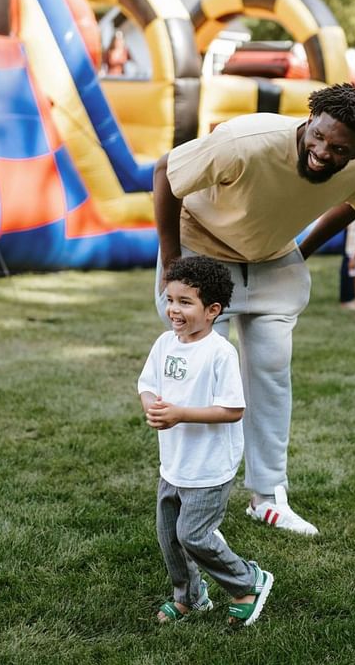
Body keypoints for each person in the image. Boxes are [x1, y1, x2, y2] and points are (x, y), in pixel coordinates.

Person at [153, 83, 355, 535]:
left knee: (272, 371)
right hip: (201, 248)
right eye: (317, 136)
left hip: (272, 259)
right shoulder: (246, 141)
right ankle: (192, 496)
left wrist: (303, 249)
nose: (321, 152)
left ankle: (268, 496)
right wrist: (172, 257)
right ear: (310, 118)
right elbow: (165, 171)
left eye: (339, 149)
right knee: (200, 375)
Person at [138, 255, 273, 626]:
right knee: (170, 537)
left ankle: (248, 581)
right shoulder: (165, 344)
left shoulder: (219, 353)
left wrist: (180, 413)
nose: (173, 310)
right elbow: (147, 385)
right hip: (175, 462)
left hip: (209, 466)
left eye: (185, 302)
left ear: (212, 310)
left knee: (193, 534)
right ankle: (190, 597)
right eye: (169, 300)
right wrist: (153, 406)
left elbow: (232, 409)